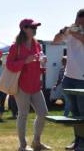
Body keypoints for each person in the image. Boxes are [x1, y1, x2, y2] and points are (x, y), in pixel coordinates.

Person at [6, 18, 51, 151]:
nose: (35, 29)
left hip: (36, 85)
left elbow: (37, 63)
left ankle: (36, 142)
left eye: (35, 27)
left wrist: (42, 64)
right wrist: (25, 61)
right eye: (32, 27)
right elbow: (9, 65)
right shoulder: (15, 46)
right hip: (21, 86)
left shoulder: (37, 45)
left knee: (43, 113)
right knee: (23, 114)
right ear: (24, 29)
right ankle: (23, 146)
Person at [53, 9, 84, 151]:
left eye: (81, 22)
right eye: (78, 21)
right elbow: (55, 41)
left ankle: (81, 143)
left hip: (82, 79)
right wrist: (62, 31)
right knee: (74, 113)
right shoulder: (71, 31)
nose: (79, 24)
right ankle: (77, 140)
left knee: (82, 113)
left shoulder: (76, 33)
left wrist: (74, 32)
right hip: (69, 77)